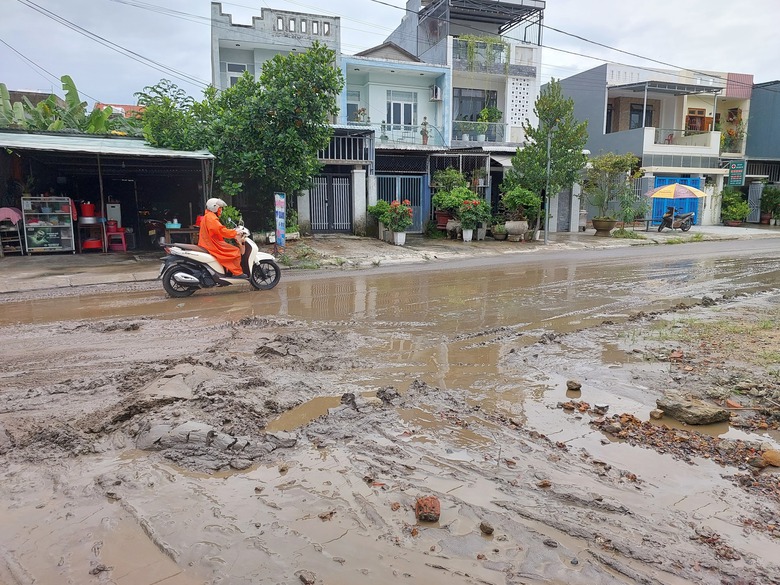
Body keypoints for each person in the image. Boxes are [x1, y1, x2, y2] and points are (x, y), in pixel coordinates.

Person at [198, 198, 246, 276]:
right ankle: (237, 273)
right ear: (214, 207)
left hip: (210, 243)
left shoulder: (209, 216)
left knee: (230, 250)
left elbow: (219, 230)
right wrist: (234, 232)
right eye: (220, 208)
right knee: (235, 251)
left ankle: (229, 271)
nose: (221, 210)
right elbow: (221, 230)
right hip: (212, 244)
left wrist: (232, 231)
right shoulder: (211, 218)